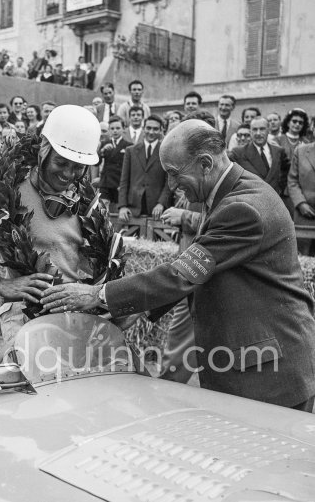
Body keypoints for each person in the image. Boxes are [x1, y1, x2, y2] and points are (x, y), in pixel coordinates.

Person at [42, 119, 315, 411]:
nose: (172, 185)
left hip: (269, 375)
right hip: (260, 362)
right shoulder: (230, 191)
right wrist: (142, 309)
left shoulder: (242, 208)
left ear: (205, 164)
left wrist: (96, 295)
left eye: (174, 174)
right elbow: (200, 265)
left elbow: (183, 273)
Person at [0, 105, 101, 345]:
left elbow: (89, 260)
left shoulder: (85, 199)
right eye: (61, 163)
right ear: (44, 150)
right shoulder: (9, 195)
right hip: (25, 320)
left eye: (78, 166)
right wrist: (1, 284)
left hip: (75, 321)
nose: (68, 174)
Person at [118, 114, 170, 224]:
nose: (151, 132)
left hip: (157, 209)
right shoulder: (130, 151)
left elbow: (169, 182)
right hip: (133, 209)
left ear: (161, 130)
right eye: (148, 128)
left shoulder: (166, 151)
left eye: (155, 129)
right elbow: (124, 181)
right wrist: (122, 206)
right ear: (144, 128)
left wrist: (161, 203)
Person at [229, 117, 289, 197]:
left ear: (268, 130)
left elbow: (287, 173)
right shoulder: (238, 153)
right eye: (254, 129)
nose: (258, 133)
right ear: (250, 132)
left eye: (262, 129)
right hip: (251, 201)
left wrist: (280, 190)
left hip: (275, 200)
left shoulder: (278, 151)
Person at [98, 115, 128, 209]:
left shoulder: (128, 145)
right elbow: (96, 163)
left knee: (118, 209)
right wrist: (102, 151)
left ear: (123, 129)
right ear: (109, 130)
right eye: (112, 128)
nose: (115, 131)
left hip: (119, 183)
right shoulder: (104, 143)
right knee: (103, 209)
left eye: (118, 128)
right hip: (105, 183)